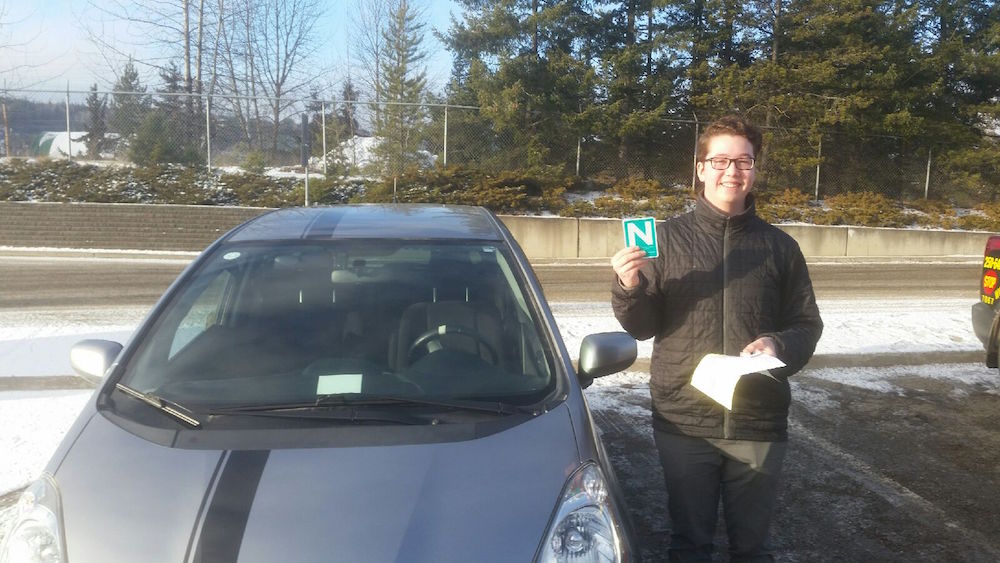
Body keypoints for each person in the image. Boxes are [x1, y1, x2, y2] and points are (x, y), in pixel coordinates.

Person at [610, 114, 823, 562]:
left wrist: (778, 345)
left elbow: (806, 324)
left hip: (757, 418)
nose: (733, 171)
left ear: (754, 169)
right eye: (721, 160)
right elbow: (642, 327)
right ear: (701, 168)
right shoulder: (664, 240)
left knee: (752, 549)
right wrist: (629, 287)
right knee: (689, 545)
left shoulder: (780, 248)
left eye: (744, 161)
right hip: (684, 419)